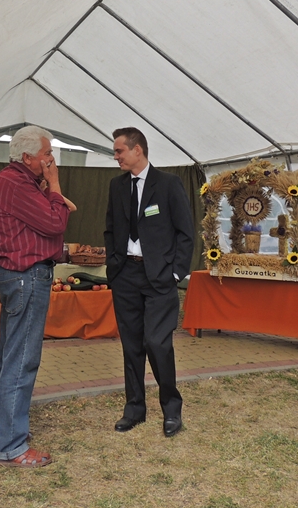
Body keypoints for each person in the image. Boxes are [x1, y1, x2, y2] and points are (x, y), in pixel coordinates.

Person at [0, 126, 71, 467]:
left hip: (17, 275)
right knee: (21, 359)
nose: (51, 159)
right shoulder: (17, 184)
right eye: (47, 154)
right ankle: (11, 445)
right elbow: (55, 222)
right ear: (27, 157)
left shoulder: (10, 182)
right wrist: (55, 185)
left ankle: (2, 432)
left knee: (9, 356)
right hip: (26, 276)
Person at [104, 127, 194, 438]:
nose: (115, 157)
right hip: (125, 276)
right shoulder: (117, 186)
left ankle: (171, 409)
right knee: (131, 346)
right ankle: (134, 409)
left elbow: (186, 233)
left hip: (159, 277)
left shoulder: (168, 184)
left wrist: (175, 273)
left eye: (119, 151)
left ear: (137, 150)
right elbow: (110, 229)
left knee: (157, 343)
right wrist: (114, 267)